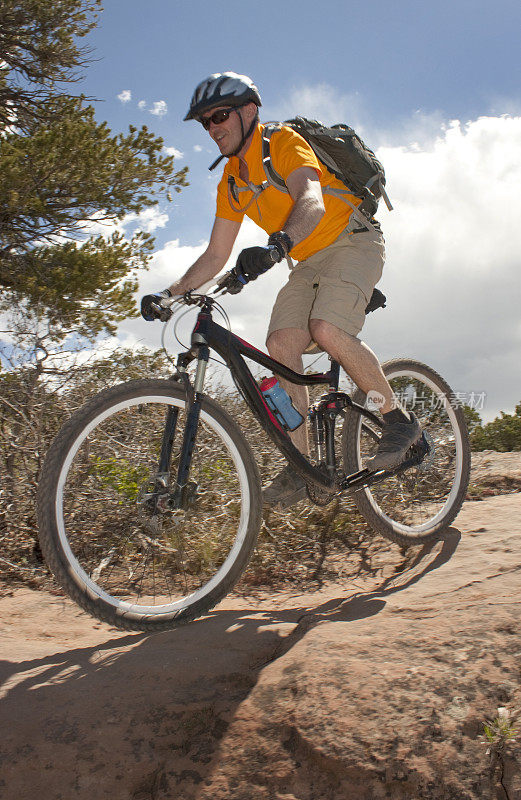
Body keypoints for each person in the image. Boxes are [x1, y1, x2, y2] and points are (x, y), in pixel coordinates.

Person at [141, 72, 421, 509]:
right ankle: (302, 465)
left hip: (352, 240)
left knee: (326, 328)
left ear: (249, 111)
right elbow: (216, 255)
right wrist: (171, 293)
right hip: (307, 260)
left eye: (219, 116)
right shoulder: (231, 181)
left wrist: (276, 245)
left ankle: (398, 420)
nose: (213, 128)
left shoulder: (282, 142)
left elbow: (311, 200)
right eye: (205, 122)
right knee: (279, 343)